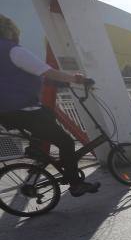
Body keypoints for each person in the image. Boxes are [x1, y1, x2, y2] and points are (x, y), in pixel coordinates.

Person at [0, 14, 100, 197]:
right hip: (24, 109)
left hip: (7, 112)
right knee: (67, 142)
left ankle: (36, 149)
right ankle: (76, 184)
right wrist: (77, 79)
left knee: (46, 112)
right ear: (10, 30)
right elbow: (47, 71)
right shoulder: (13, 51)